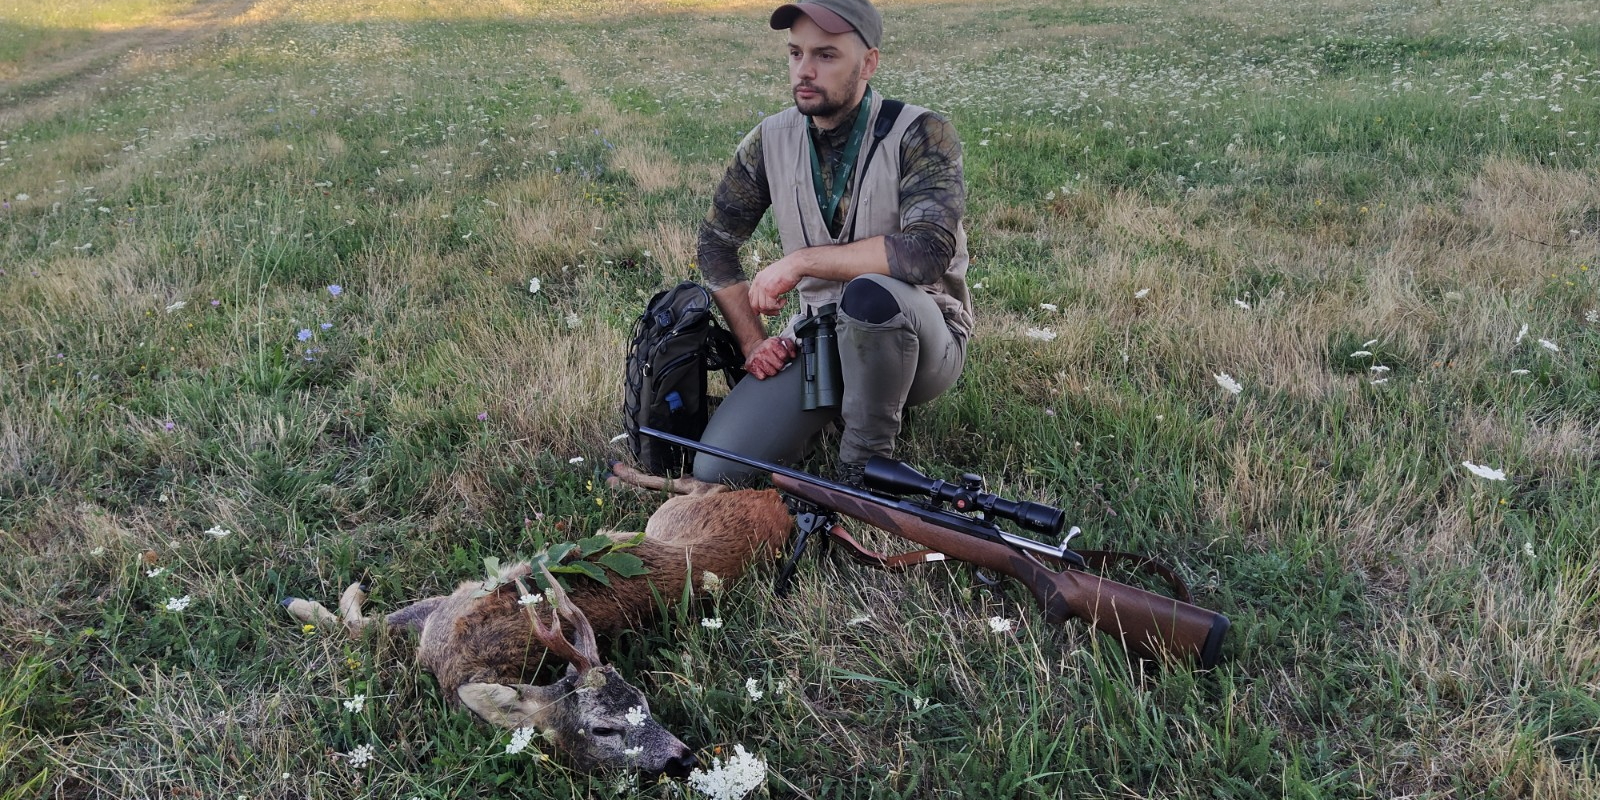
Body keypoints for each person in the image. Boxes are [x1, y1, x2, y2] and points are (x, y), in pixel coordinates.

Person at [693, 0, 973, 485]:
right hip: (820, 338)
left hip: (922, 341)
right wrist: (754, 342)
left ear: (868, 63)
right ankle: (842, 404)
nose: (804, 71)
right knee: (719, 467)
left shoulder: (922, 133)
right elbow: (715, 245)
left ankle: (862, 466)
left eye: (825, 55)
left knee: (872, 294)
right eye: (795, 53)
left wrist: (802, 261)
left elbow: (926, 252)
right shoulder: (769, 140)